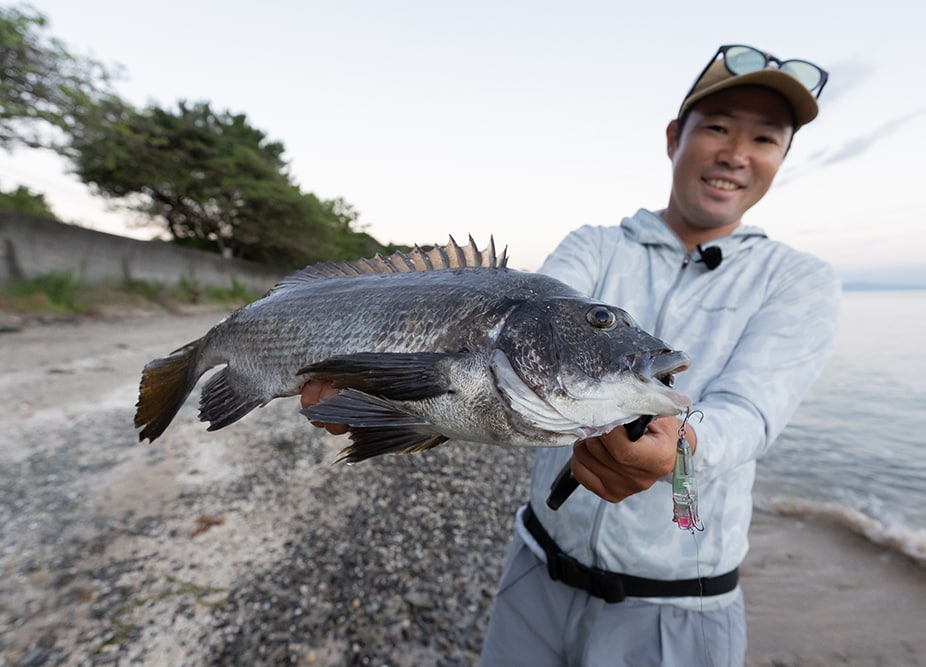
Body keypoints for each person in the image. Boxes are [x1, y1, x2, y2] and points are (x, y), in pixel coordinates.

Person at [304, 43, 840, 667]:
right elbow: (519, 326)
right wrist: (387, 389)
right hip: (535, 569)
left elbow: (750, 413)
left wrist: (681, 447)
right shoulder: (595, 245)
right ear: (675, 137)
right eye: (717, 127)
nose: (736, 153)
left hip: (680, 609)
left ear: (781, 159)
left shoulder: (797, 280)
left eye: (766, 138)